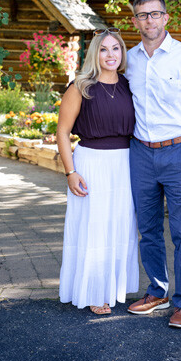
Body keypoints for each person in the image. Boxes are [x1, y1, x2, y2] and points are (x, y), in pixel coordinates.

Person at [125, 0, 181, 328]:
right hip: (141, 154)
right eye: (142, 15)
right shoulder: (128, 60)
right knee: (148, 230)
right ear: (135, 21)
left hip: (179, 153)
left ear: (165, 17)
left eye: (154, 13)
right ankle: (157, 291)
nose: (148, 20)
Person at [57, 28, 139, 315]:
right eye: (104, 49)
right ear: (95, 53)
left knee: (119, 227)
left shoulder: (129, 85)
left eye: (116, 48)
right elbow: (63, 132)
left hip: (124, 164)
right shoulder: (81, 86)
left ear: (122, 53)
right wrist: (70, 172)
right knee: (94, 228)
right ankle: (93, 291)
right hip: (90, 163)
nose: (110, 54)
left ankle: (112, 288)